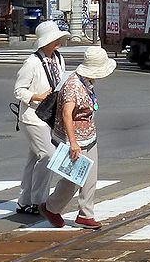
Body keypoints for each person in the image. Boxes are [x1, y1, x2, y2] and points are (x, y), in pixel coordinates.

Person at [43, 45, 116, 230]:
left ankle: (86, 214)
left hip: (89, 135)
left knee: (90, 177)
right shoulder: (73, 85)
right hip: (73, 139)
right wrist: (73, 143)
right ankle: (51, 207)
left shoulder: (87, 82)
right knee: (73, 179)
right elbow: (67, 114)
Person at [13, 20, 71, 216]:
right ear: (44, 42)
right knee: (48, 156)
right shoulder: (31, 62)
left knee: (34, 159)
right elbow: (18, 90)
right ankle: (39, 201)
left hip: (49, 116)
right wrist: (36, 96)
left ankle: (24, 201)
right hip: (33, 116)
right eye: (55, 40)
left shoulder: (58, 58)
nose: (59, 42)